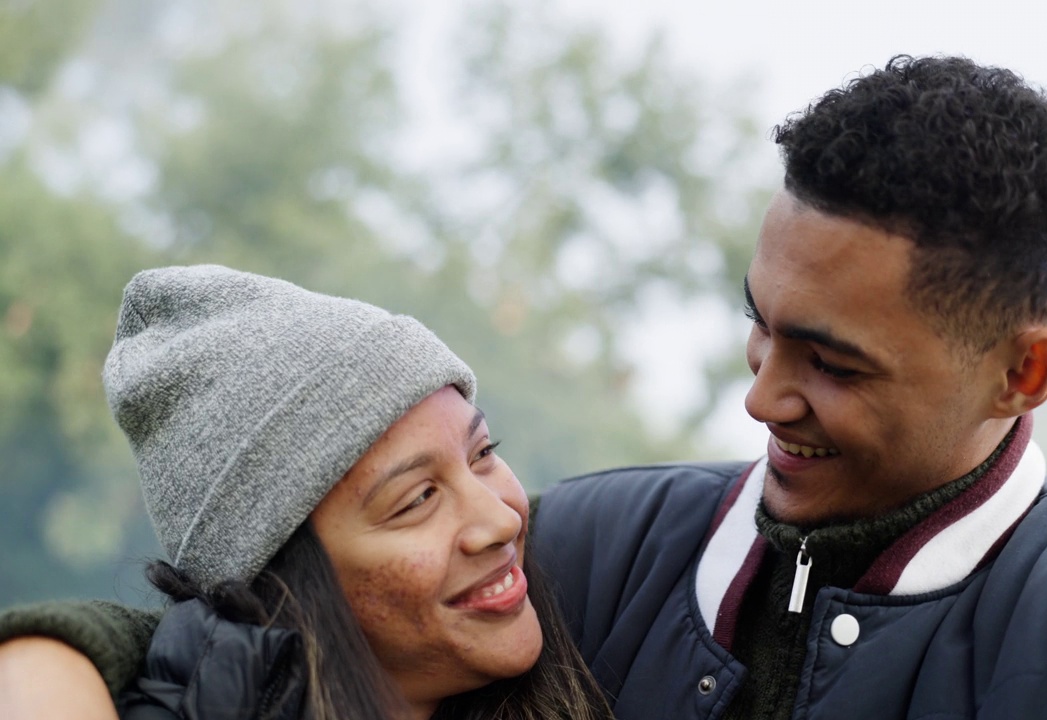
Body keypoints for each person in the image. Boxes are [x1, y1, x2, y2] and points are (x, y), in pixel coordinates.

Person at [3, 54, 1047, 719]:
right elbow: (259, 620)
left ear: (1025, 372)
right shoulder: (597, 550)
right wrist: (54, 660)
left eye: (830, 362)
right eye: (758, 329)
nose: (762, 397)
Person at [0, 264, 613, 719]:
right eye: (417, 499)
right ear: (283, 578)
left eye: (482, 455)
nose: (501, 521)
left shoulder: (613, 593)